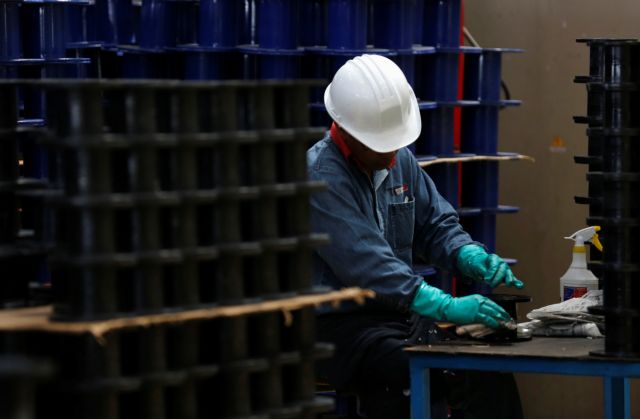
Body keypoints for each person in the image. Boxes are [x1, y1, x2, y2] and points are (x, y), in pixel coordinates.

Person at [307, 54, 524, 419]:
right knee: (409, 372)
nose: (391, 155)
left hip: (398, 316)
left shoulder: (397, 160)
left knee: (486, 365)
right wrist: (445, 305)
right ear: (346, 130)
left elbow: (436, 225)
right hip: (335, 327)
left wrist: (468, 254)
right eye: (381, 145)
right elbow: (369, 265)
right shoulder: (320, 177)